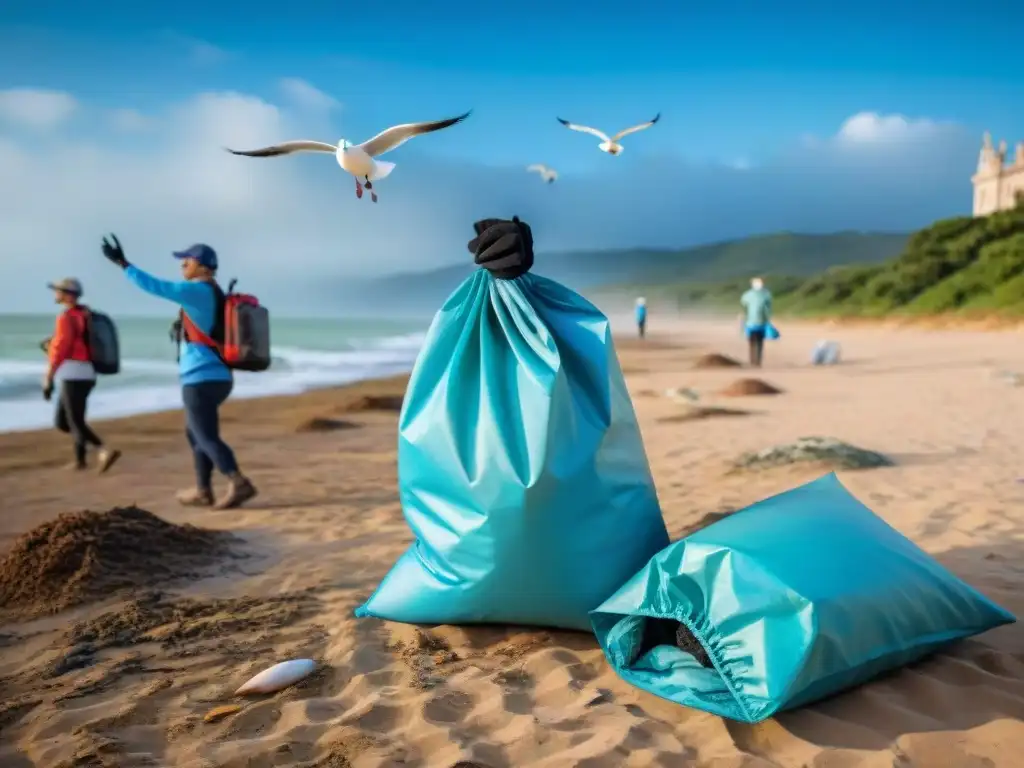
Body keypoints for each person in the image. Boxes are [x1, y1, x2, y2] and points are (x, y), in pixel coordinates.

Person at [100, 235, 258, 509]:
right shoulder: (212, 291)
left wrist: (123, 264)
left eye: (187, 259)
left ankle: (238, 481)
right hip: (217, 375)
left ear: (203, 265)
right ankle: (203, 490)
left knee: (204, 434)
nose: (182, 263)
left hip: (201, 376)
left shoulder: (197, 290)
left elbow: (156, 286)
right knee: (196, 432)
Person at [43, 278, 121, 472]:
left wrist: (49, 376)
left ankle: (103, 449)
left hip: (73, 372)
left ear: (68, 294)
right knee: (66, 420)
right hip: (87, 372)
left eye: (58, 290)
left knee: (73, 420)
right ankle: (80, 460)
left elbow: (62, 347)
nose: (55, 294)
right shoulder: (84, 314)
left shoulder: (66, 317)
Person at [739, 277, 772, 367]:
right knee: (760, 342)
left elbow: (744, 308)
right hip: (761, 322)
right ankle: (758, 361)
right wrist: (768, 320)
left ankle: (752, 361)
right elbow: (768, 310)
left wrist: (743, 321)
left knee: (752, 342)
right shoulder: (766, 294)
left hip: (749, 322)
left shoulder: (746, 295)